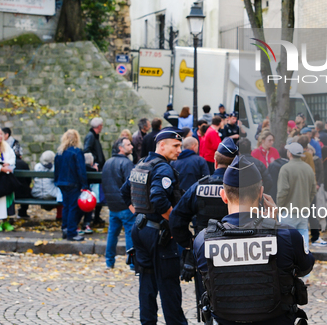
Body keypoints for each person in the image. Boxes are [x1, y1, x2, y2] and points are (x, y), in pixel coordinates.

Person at [193, 156, 314, 325]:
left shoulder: (202, 241)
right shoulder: (287, 235)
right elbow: (305, 267)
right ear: (260, 193)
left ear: (223, 195)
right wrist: (274, 224)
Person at [120, 127, 187, 325]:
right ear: (162, 145)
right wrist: (175, 223)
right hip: (159, 234)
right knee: (168, 285)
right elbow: (158, 198)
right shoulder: (162, 168)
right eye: (175, 146)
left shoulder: (142, 163)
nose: (179, 150)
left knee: (147, 283)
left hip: (140, 231)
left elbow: (125, 192)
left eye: (180, 146)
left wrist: (140, 214)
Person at [169, 138, 238, 317]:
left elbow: (176, 218)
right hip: (236, 252)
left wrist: (189, 243)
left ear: (215, 161)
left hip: (205, 251)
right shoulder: (242, 189)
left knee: (207, 301)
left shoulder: (199, 187)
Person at [102, 137, 136, 270]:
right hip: (125, 205)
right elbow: (131, 185)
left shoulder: (108, 162)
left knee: (112, 234)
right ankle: (132, 263)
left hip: (113, 205)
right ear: (121, 148)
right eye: (128, 145)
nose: (131, 146)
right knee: (129, 233)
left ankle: (109, 261)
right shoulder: (126, 163)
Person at [277, 142, 317, 250]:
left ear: (289, 153)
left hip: (288, 210)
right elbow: (313, 190)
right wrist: (307, 202)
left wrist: (279, 208)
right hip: (304, 209)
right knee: (303, 235)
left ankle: (289, 262)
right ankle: (305, 259)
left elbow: (282, 191)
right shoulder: (308, 168)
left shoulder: (285, 169)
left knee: (287, 239)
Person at [54, 129, 89, 242]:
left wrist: (57, 181)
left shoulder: (59, 152)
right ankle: (72, 232)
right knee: (73, 208)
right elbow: (80, 169)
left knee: (66, 206)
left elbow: (57, 169)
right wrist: (84, 185)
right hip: (73, 183)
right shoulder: (77, 152)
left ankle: (65, 228)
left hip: (62, 182)